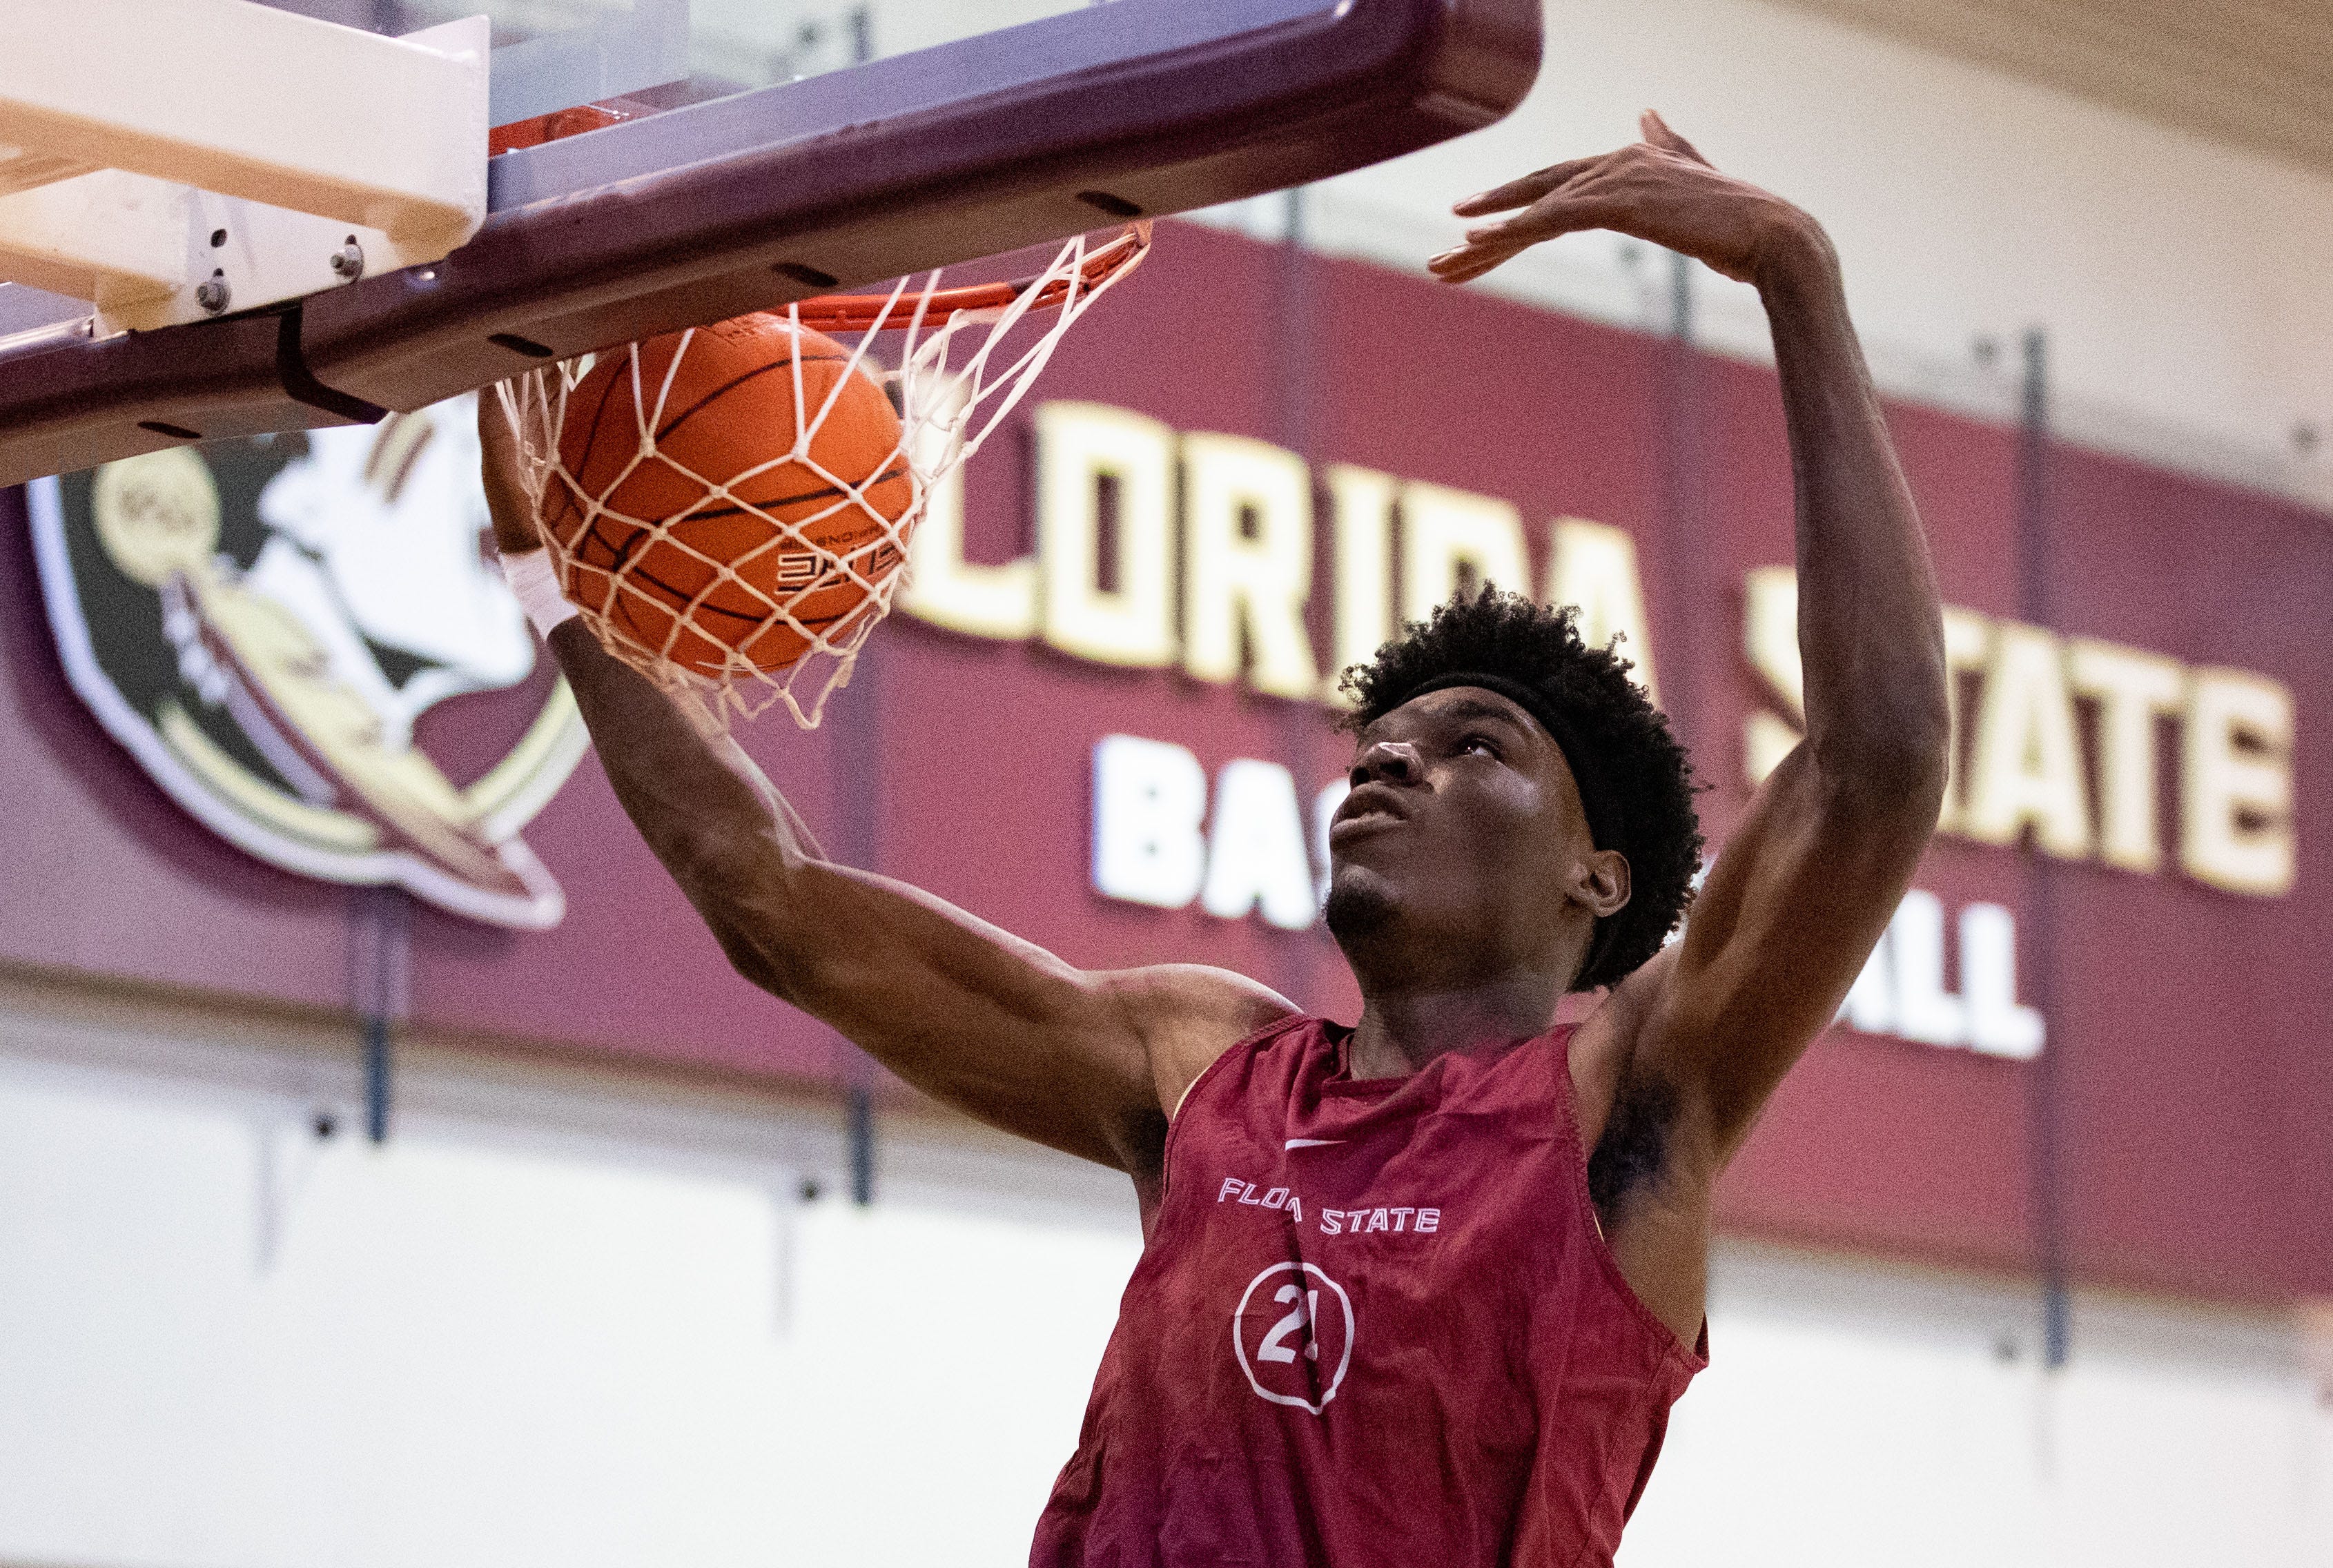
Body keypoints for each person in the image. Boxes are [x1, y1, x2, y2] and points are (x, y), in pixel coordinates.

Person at [479, 111, 1949, 1568]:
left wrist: (1794, 275)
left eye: (1471, 747)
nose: (1390, 760)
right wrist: (554, 586)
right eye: (1382, 739)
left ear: (1596, 876)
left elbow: (1875, 762)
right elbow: (777, 903)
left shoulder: (1628, 1100)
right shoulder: (1203, 1067)